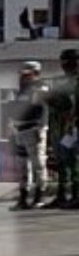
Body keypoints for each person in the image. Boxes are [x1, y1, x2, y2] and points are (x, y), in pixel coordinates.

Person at [10, 61, 51, 210]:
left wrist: (41, 128)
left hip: (33, 129)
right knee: (22, 166)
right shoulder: (22, 89)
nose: (23, 74)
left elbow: (43, 109)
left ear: (35, 72)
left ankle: (39, 197)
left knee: (38, 165)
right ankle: (23, 198)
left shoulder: (40, 88)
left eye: (27, 72)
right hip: (20, 130)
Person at [47, 49, 79, 209]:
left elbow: (70, 106)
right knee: (62, 163)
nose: (65, 65)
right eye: (64, 61)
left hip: (72, 127)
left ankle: (75, 195)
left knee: (74, 162)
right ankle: (62, 195)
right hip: (59, 128)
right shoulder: (60, 81)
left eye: (70, 61)